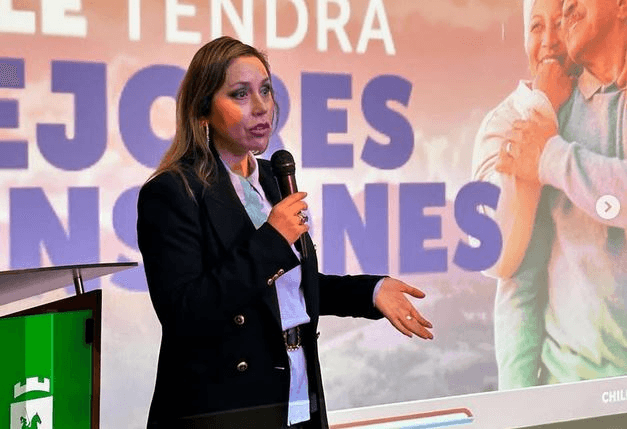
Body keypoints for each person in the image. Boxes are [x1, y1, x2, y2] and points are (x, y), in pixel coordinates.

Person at [137, 36, 433, 429]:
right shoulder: (173, 192)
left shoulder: (272, 181)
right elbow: (185, 313)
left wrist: (370, 291)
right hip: (222, 409)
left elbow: (287, 289)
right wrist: (272, 241)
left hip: (294, 391)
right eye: (240, 94)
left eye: (265, 90)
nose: (261, 107)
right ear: (203, 109)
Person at [487, 0, 627, 386]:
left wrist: (552, 157)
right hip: (569, 391)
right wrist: (518, 400)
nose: (567, 6)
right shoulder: (549, 118)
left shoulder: (545, 140)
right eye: (536, 26)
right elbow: (518, 276)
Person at [472, 0, 576, 389]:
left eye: (561, 23)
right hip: (529, 381)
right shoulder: (502, 121)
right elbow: (494, 253)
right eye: (536, 27)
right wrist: (542, 106)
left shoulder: (602, 111)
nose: (549, 40)